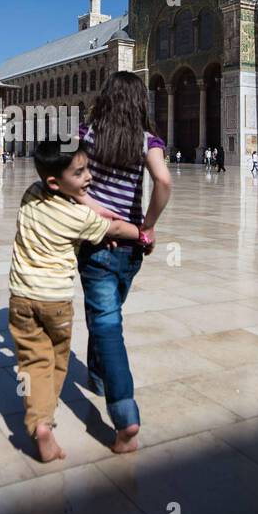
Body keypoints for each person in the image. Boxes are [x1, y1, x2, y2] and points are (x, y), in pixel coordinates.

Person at [7, 140, 142, 462]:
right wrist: (144, 235)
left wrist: (82, 198)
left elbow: (54, 185)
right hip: (56, 302)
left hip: (21, 298)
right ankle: (43, 419)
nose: (87, 178)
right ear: (58, 182)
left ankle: (40, 422)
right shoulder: (78, 219)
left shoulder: (30, 195)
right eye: (80, 172)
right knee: (54, 361)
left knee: (31, 362)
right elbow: (116, 228)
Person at [75, 71, 172, 454]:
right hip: (131, 248)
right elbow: (163, 181)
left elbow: (67, 181)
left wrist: (99, 212)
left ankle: (125, 416)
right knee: (106, 316)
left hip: (97, 243)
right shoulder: (148, 140)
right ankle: (98, 377)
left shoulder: (87, 135)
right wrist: (145, 227)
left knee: (106, 325)